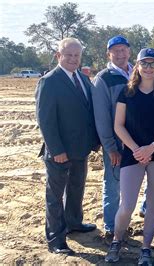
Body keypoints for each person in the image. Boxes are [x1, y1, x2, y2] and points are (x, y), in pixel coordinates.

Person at [104, 48, 154, 264]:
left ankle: (145, 248)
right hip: (132, 154)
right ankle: (117, 240)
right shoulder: (127, 92)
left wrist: (151, 147)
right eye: (145, 63)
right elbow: (118, 125)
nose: (149, 68)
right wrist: (137, 149)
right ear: (137, 65)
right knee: (127, 204)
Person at [35, 37, 100, 255]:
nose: (73, 59)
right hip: (59, 152)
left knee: (76, 189)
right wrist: (57, 150)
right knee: (55, 197)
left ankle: (74, 223)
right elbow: (45, 119)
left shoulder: (82, 78)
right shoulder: (49, 81)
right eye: (69, 55)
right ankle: (56, 239)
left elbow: (88, 111)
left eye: (77, 56)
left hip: (80, 148)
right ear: (58, 56)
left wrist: (94, 141)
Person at [92, 35, 133, 243]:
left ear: (129, 51)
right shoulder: (103, 78)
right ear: (109, 54)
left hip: (140, 143)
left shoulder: (139, 72)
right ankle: (111, 226)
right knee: (113, 184)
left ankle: (133, 217)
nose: (120, 54)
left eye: (123, 49)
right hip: (117, 145)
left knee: (137, 183)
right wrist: (110, 147)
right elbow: (101, 117)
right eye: (115, 50)